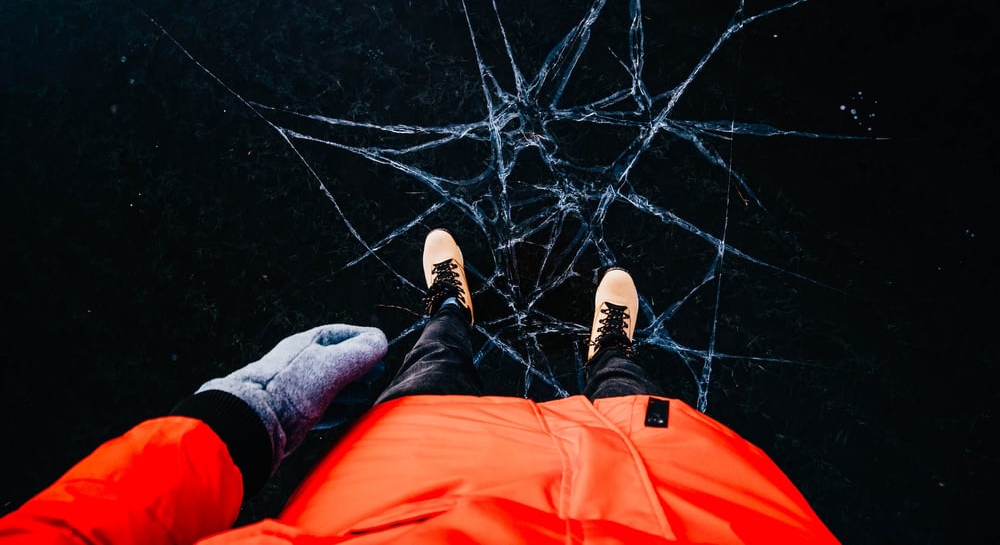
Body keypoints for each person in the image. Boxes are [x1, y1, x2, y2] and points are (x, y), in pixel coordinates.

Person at [0, 229, 839, 543]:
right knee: (631, 399)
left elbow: (75, 532)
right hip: (694, 508)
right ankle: (607, 358)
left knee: (431, 374)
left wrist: (243, 416)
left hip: (398, 501)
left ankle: (449, 312)